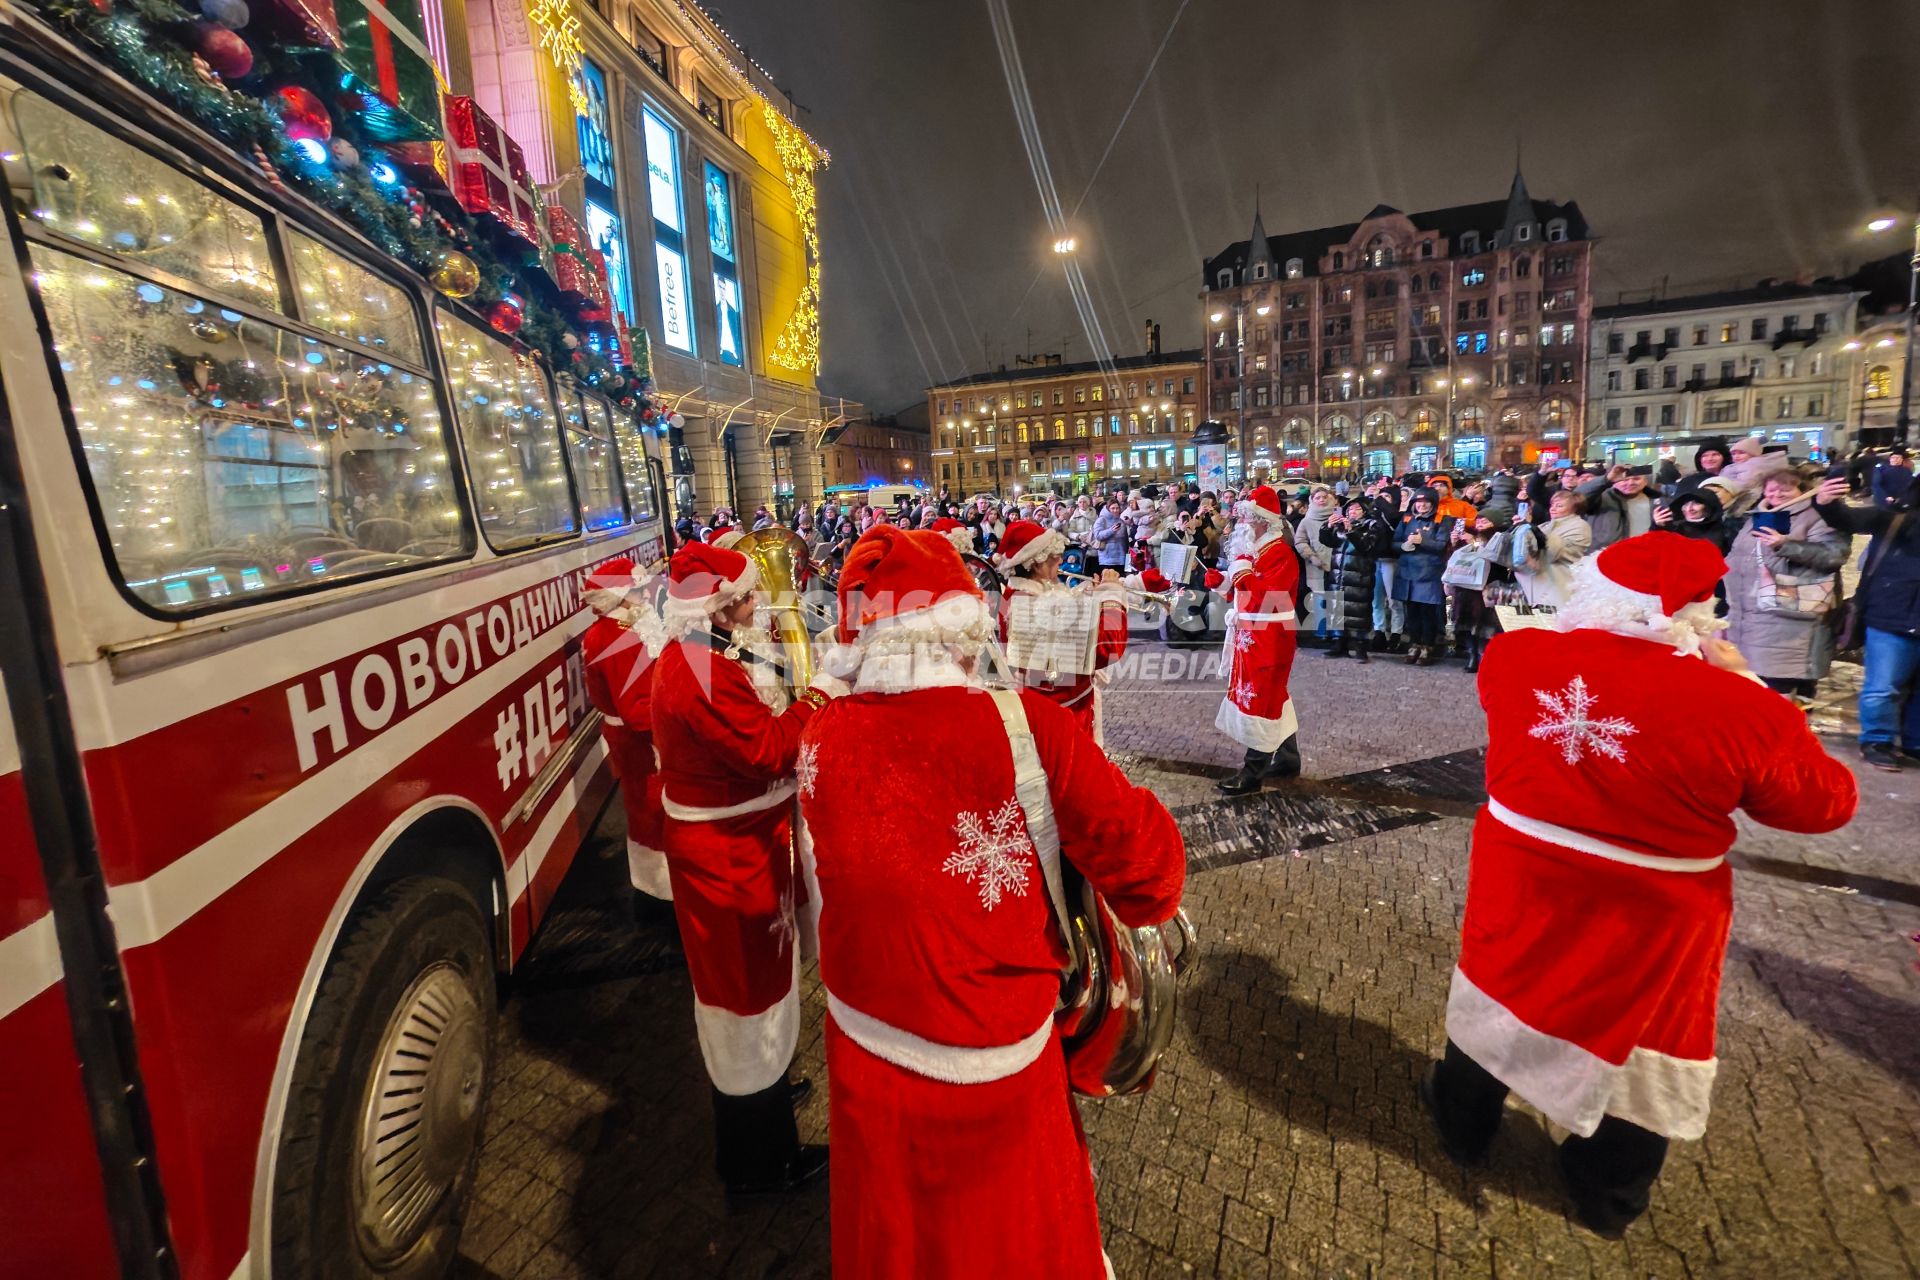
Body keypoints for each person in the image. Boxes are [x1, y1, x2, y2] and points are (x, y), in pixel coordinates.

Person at [1423, 532, 1857, 1237]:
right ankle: (1607, 1189)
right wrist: (1748, 683)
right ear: (1693, 614)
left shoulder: (1516, 655)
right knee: (1643, 1040)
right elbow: (1822, 804)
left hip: (1526, 875)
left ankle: (1463, 1123)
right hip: (1653, 910)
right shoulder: (1740, 708)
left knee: (1498, 996)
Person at [798, 525, 1185, 1280]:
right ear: (965, 629)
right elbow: (1151, 877)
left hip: (863, 1051)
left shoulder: (822, 732)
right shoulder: (1026, 729)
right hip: (990, 1075)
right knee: (1008, 1242)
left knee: (894, 1241)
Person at [649, 540, 842, 1195]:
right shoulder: (696, 671)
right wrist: (817, 699)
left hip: (745, 845)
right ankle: (760, 1162)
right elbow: (766, 751)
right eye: (745, 597)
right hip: (727, 861)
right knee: (744, 998)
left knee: (763, 982)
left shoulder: (707, 654)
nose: (758, 603)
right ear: (717, 607)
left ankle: (766, 1091)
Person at [581, 557, 672, 922]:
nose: (645, 595)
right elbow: (637, 710)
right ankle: (659, 887)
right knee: (650, 808)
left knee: (645, 806)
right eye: (638, 590)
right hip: (641, 742)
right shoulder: (618, 637)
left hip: (631, 738)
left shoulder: (615, 629)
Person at [1813, 474, 1920, 770]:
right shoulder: (1896, 519)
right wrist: (1827, 503)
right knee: (1883, 686)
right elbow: (1848, 519)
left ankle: (1915, 742)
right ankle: (1878, 740)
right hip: (1891, 616)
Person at [995, 519, 1128, 741]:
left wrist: (1090, 599)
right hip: (1064, 716)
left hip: (1049, 705)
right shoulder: (1035, 606)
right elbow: (1107, 647)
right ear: (1036, 565)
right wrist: (1111, 595)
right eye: (1053, 555)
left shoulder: (1016, 595)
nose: (1061, 559)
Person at [1721, 473, 1847, 701]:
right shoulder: (1757, 517)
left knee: (1780, 687)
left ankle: (1788, 731)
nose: (1776, 495)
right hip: (1751, 616)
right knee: (1756, 685)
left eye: (1785, 490)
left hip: (1791, 617)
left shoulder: (1817, 516)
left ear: (1803, 490)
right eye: (1771, 490)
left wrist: (1785, 545)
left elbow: (1834, 555)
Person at [1216, 486, 1303, 794]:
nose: (1244, 525)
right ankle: (1289, 758)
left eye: (1249, 519)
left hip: (1269, 637)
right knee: (1272, 694)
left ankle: (1252, 774)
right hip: (1253, 635)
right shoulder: (1258, 549)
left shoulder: (1280, 553)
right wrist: (1223, 583)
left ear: (1264, 521)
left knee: (1262, 699)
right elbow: (1243, 590)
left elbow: (1268, 598)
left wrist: (1240, 572)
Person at [1319, 497, 1389, 662]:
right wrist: (1328, 527)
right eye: (1350, 509)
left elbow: (1366, 546)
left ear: (1364, 510)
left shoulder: (1372, 525)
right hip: (1338, 574)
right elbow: (1328, 541)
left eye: (1357, 509)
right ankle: (1338, 643)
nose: (1352, 512)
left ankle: (1360, 646)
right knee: (1336, 608)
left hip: (1359, 574)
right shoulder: (1341, 525)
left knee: (1358, 611)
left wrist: (1352, 531)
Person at [1392, 487, 1452, 666]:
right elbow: (1394, 541)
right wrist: (1403, 545)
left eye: (1426, 502)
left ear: (1433, 503)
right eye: (1418, 502)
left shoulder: (1442, 519)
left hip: (1429, 573)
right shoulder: (1406, 518)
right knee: (1412, 611)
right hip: (1407, 572)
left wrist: (1423, 541)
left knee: (1428, 612)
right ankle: (1414, 643)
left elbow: (1442, 545)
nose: (1422, 505)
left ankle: (1427, 645)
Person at [1512, 490, 1592, 608]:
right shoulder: (1545, 525)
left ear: (1574, 508)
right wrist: (1518, 528)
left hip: (1557, 585)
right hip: (1532, 586)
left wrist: (1530, 527)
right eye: (1552, 505)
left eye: (1559, 506)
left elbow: (1551, 553)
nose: (1553, 509)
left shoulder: (1580, 526)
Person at [1293, 485, 1338, 646]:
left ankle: (1337, 633)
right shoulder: (1307, 520)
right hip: (1316, 565)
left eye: (1324, 497)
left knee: (1335, 598)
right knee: (1320, 598)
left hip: (1336, 565)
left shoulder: (1335, 516)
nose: (1321, 500)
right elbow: (1299, 541)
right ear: (1312, 500)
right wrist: (1311, 556)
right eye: (1317, 498)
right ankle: (1322, 632)